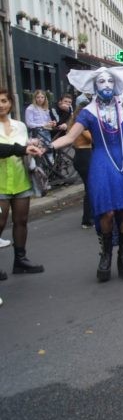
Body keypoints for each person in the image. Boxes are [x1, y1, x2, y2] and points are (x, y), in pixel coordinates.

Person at [48, 66, 123, 282]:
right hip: (102, 162)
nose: (107, 85)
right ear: (95, 86)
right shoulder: (88, 111)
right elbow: (69, 137)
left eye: (110, 82)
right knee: (107, 212)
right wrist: (47, 146)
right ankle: (105, 254)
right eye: (102, 82)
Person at [0, 89, 46, 282]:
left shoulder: (20, 126)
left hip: (20, 180)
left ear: (10, 103)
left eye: (4, 100)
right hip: (1, 183)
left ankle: (20, 260)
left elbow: (24, 149)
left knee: (21, 221)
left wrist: (34, 149)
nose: (1, 104)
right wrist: (22, 149)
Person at [71, 99, 95, 228]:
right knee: (90, 188)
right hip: (84, 155)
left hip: (80, 155)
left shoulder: (74, 122)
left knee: (90, 187)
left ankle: (90, 216)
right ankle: (88, 218)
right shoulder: (82, 125)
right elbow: (92, 138)